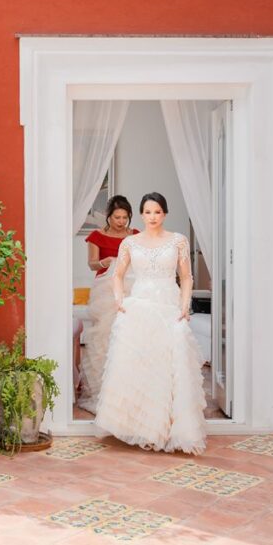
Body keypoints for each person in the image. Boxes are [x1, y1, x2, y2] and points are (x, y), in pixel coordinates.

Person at [94, 192, 206, 454]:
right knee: (140, 364)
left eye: (157, 212)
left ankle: (168, 427)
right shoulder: (130, 243)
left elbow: (187, 277)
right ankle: (139, 426)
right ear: (141, 215)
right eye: (148, 212)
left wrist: (185, 306)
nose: (152, 217)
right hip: (139, 307)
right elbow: (117, 275)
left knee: (169, 364)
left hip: (169, 307)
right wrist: (120, 300)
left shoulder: (178, 241)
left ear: (164, 213)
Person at [77, 195, 138, 414]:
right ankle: (102, 389)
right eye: (117, 217)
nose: (121, 222)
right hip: (105, 290)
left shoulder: (136, 236)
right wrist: (103, 262)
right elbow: (92, 264)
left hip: (131, 288)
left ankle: (130, 388)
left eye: (125, 217)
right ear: (108, 216)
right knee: (104, 337)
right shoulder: (96, 236)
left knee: (130, 336)